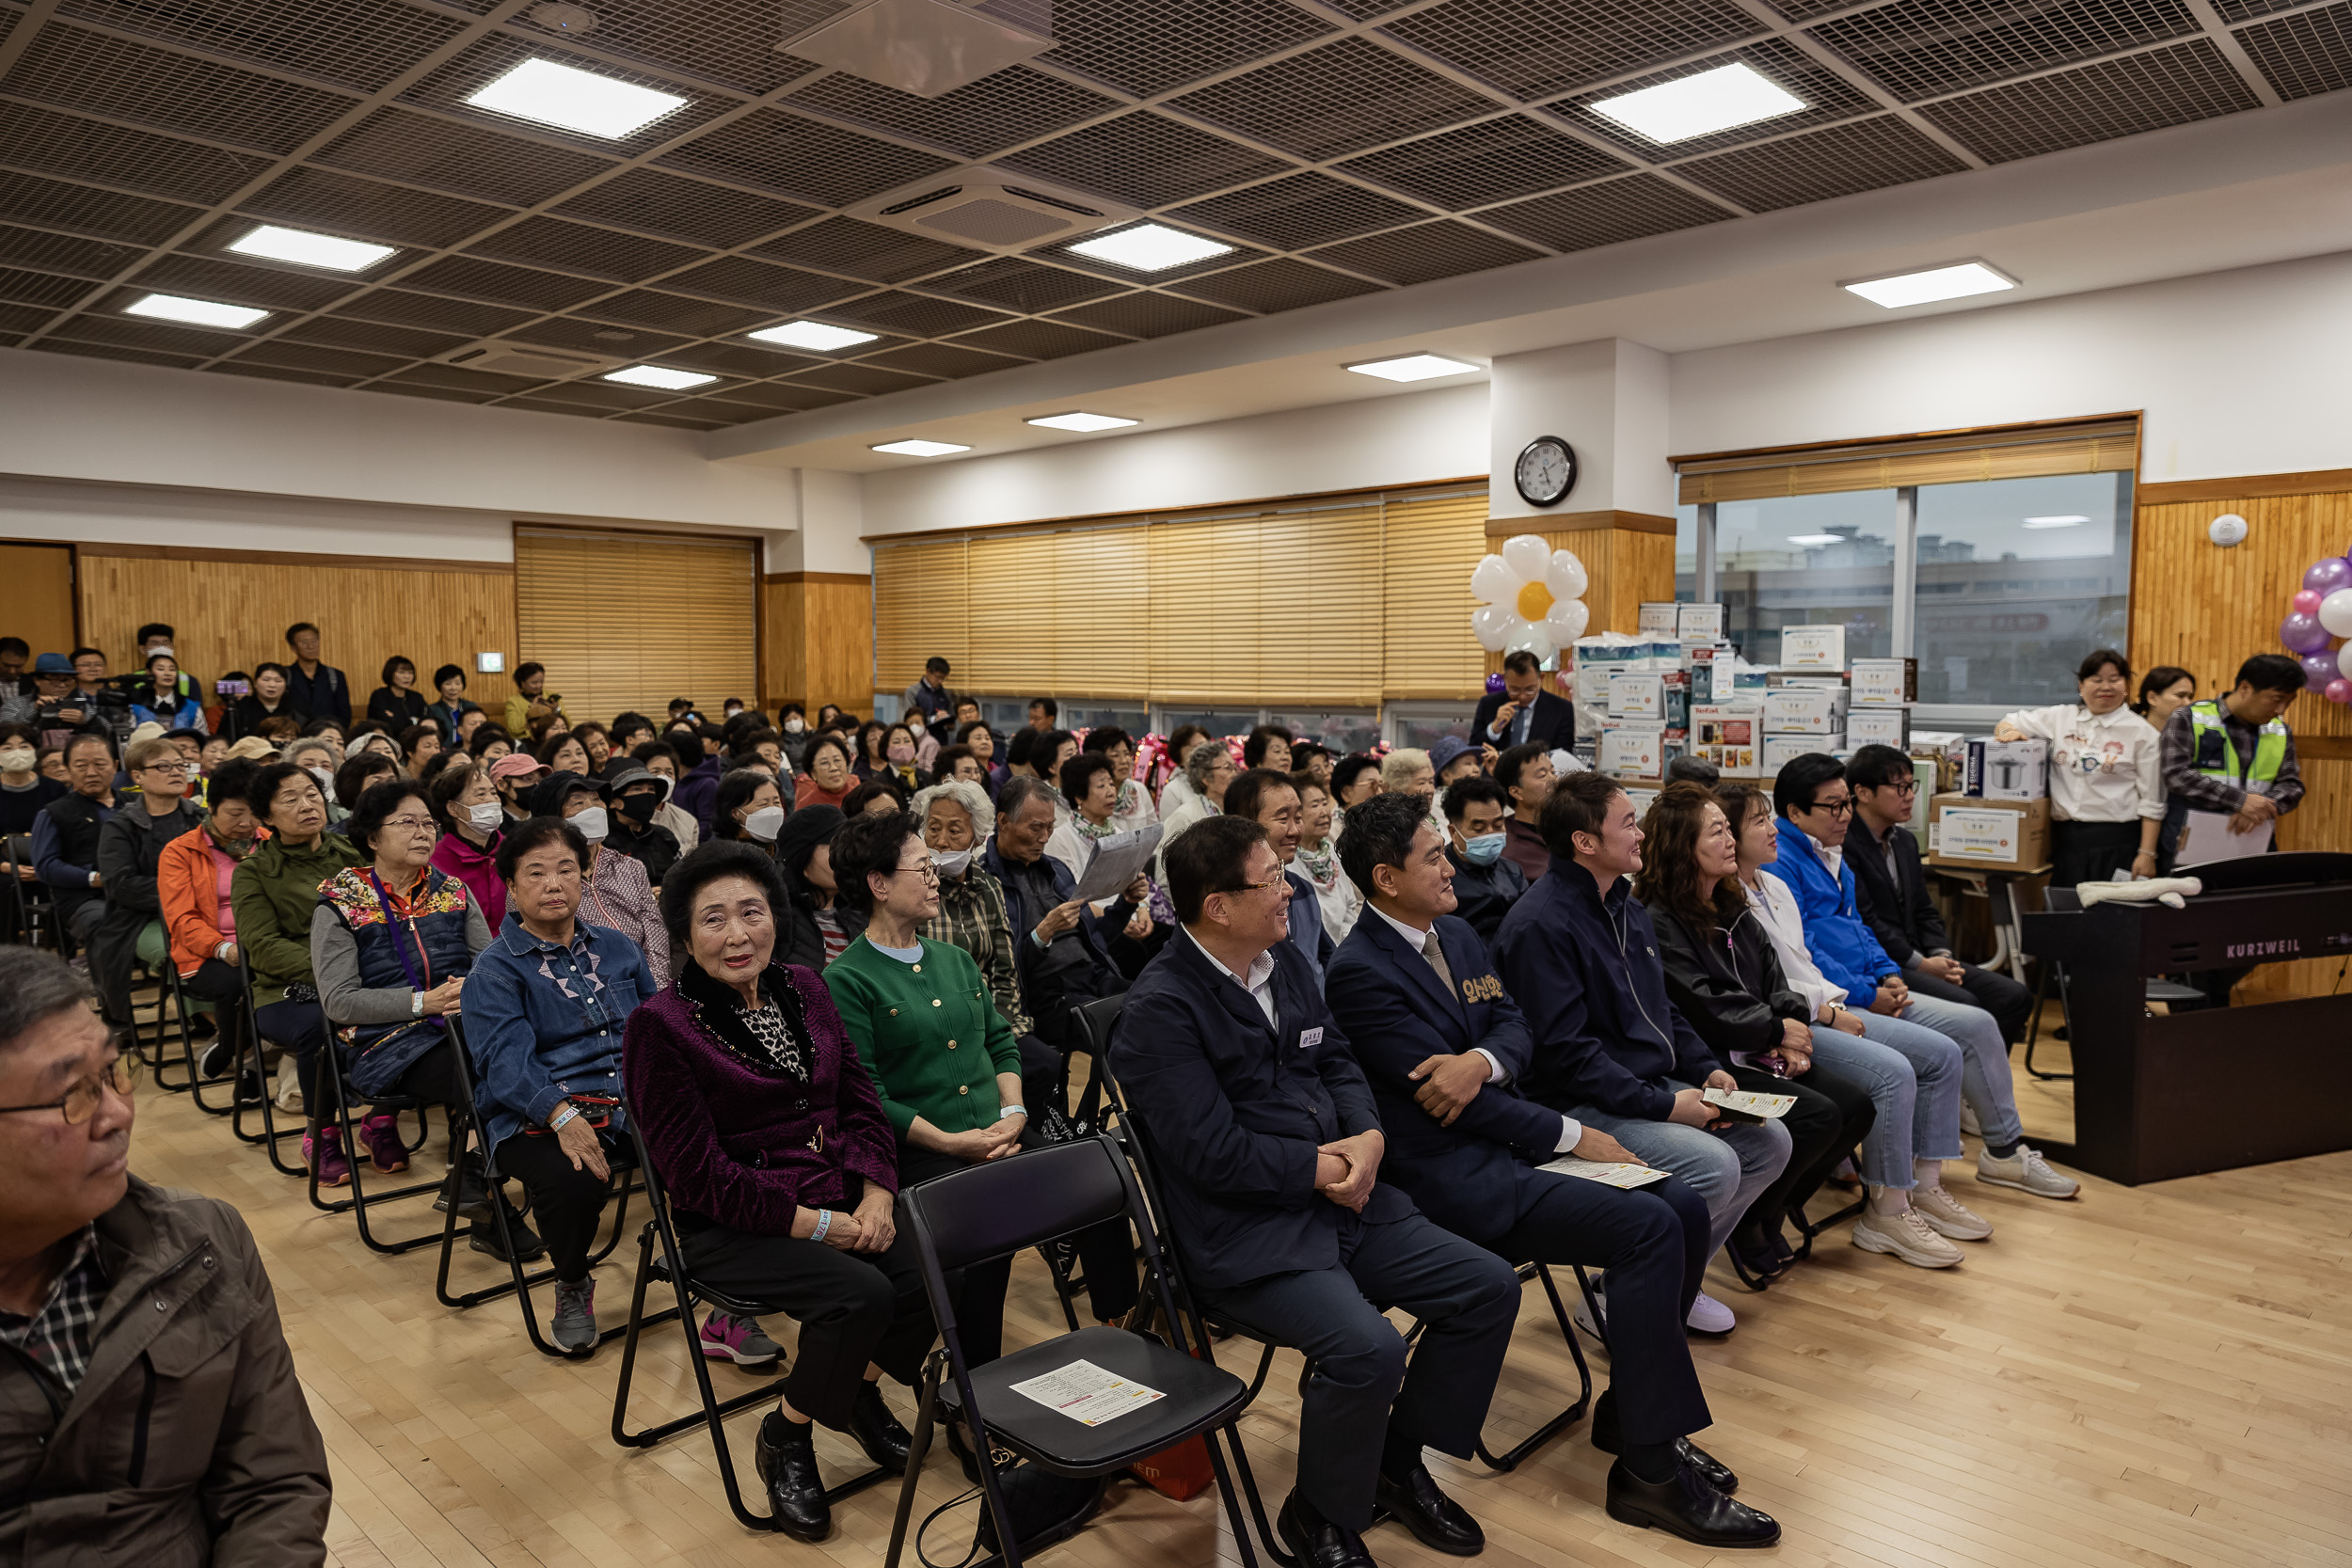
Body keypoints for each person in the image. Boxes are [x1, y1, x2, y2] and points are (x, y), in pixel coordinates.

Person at [1324, 795, 1776, 1548]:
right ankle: (1648, 1470)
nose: (1452, 862)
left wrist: (1482, 1059)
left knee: (1684, 1208)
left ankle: (1636, 1415)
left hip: (1515, 1143)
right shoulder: (1359, 972)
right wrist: (1574, 1133)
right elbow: (1452, 1111)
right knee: (1647, 1227)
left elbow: (1518, 1030)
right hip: (1454, 1176)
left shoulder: (1460, 935)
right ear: (1385, 877)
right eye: (1433, 855)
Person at [1111, 814, 1521, 1568]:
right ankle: (1321, 1516)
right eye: (1270, 880)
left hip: (1347, 1196)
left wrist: (1368, 1140)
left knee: (1487, 1287)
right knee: (1367, 1349)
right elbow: (1211, 1154)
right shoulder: (1160, 1011)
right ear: (1218, 905)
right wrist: (1327, 1169)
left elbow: (1338, 1061)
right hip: (1247, 1235)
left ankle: (1393, 1466)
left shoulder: (1285, 962)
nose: (1288, 890)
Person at [624, 842, 931, 1544]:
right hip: (732, 1222)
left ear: (775, 915)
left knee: (935, 1269)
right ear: (684, 934)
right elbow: (692, 1172)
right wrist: (819, 1226)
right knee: (862, 1294)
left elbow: (859, 1101)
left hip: (835, 1194)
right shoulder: (660, 1025)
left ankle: (853, 1387)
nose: (737, 934)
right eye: (714, 920)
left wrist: (877, 1190)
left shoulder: (804, 984)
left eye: (751, 912)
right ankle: (785, 1434)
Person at [0, 947, 332, 1561]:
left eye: (114, 1072)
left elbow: (274, 1481)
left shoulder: (201, 1240)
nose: (118, 1114)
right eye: (73, 1093)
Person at [822, 812, 1136, 1387]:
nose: (937, 875)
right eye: (923, 866)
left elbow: (1000, 1043)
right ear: (878, 883)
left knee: (1102, 1176)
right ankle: (977, 1393)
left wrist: (1013, 1110)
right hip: (921, 1150)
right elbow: (866, 1094)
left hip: (994, 1131)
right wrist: (950, 1140)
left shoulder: (953, 959)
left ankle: (1128, 1327)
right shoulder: (847, 979)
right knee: (984, 1229)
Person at [1492, 769, 1792, 1335]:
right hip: (1577, 1107)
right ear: (1586, 842)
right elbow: (1567, 1058)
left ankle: (1677, 1279)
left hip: (1646, 1088)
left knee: (1770, 1140)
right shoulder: (1541, 925)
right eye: (1628, 824)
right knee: (1714, 1164)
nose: (1641, 836)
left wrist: (1706, 1067)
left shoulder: (1625, 907)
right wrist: (1668, 1107)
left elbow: (1664, 1011)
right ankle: (1622, 1296)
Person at [1767, 753, 2079, 1201]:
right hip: (1832, 1001)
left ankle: (2004, 1152)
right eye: (1832, 807)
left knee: (1978, 1022)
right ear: (1795, 812)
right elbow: (1804, 951)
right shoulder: (1782, 864)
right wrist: (1868, 991)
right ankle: (1906, 1192)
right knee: (1942, 1047)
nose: (1844, 816)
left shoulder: (1832, 853)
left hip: (1868, 987)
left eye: (1846, 805)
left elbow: (1860, 927)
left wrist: (1889, 974)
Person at [1719, 782, 1979, 1269]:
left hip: (1825, 1004)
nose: (1773, 828)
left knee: (1942, 1052)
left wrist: (1878, 980)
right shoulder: (1727, 898)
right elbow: (1776, 985)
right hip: (1797, 1018)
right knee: (1893, 1072)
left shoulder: (1772, 885)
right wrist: (1834, 1011)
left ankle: (1922, 1188)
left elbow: (1808, 961)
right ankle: (1888, 1208)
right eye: (1759, 821)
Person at [1634, 783, 1889, 1279]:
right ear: (1682, 847)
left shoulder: (1731, 901)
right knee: (1816, 1115)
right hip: (1715, 1061)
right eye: (1716, 832)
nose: (1730, 841)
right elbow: (1704, 1006)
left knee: (1856, 1106)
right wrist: (1777, 1032)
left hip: (1758, 1044)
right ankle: (1755, 1219)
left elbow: (1774, 977)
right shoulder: (1658, 918)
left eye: (1730, 830)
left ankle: (1771, 1210)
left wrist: (1787, 1027)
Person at [462, 816, 661, 1354]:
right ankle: (573, 1281)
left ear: (583, 875)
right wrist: (563, 1115)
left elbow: (655, 1028)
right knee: (570, 1180)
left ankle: (723, 1291)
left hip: (633, 1097)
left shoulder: (619, 947)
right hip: (538, 1108)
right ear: (511, 886)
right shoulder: (495, 970)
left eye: (566, 870)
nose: (554, 884)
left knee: (715, 1145)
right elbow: (505, 1066)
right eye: (537, 873)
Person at [310, 780, 501, 1197]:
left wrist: (472, 987)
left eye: (429, 823)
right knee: (480, 1066)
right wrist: (422, 1002)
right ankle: (479, 1182)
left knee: (510, 1049)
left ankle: (473, 1179)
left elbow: (490, 966)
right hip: (385, 1043)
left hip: (461, 1024)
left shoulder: (452, 891)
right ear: (373, 837)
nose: (423, 832)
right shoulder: (341, 904)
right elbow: (339, 1001)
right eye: (407, 823)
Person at [231, 761, 367, 1184]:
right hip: (286, 991)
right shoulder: (254, 871)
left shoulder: (354, 856)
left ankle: (382, 1120)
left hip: (363, 978)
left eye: (312, 793)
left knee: (419, 1008)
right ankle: (321, 1134)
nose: (307, 804)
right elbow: (262, 948)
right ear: (266, 818)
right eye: (290, 799)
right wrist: (336, 973)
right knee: (320, 1027)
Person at [1845, 745, 2034, 1046]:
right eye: (1900, 788)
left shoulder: (1904, 842)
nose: (1910, 796)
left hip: (1920, 955)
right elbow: (1866, 920)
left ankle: (1980, 1088)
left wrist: (1941, 956)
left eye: (1912, 786)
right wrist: (1922, 965)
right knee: (1967, 1005)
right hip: (1883, 962)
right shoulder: (1844, 844)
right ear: (1863, 793)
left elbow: (1924, 909)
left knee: (2014, 996)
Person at [986, 778, 1145, 1072]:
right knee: (1124, 1026)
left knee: (1156, 1002)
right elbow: (1001, 968)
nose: (1045, 837)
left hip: (1093, 973)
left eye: (1049, 827)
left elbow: (1097, 939)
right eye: (1036, 827)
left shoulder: (1055, 869)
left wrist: (1127, 904)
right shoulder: (986, 882)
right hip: (1047, 992)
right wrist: (1041, 934)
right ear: (1004, 821)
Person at [1993, 649, 2164, 885]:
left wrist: (2147, 855)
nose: (2106, 687)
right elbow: (2011, 719)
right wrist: (2007, 733)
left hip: (2116, 842)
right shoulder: (2061, 718)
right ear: (2081, 686)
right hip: (2065, 841)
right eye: (2096, 679)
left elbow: (2153, 801)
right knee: (2066, 915)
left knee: (2111, 917)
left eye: (2114, 679)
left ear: (2126, 686)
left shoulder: (2143, 733)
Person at [160, 756, 268, 1081]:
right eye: (235, 814)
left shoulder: (268, 842)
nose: (247, 823)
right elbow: (181, 919)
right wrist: (223, 949)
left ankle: (227, 1047)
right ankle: (242, 1055)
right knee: (237, 982)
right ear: (211, 808)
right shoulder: (180, 852)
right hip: (205, 952)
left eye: (254, 813)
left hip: (263, 943)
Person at [89, 736, 207, 1030]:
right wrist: (186, 895)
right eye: (164, 766)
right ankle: (226, 1034)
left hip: (204, 913)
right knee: (185, 949)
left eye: (182, 766)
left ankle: (238, 1028)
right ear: (137, 776)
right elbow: (121, 885)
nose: (177, 772)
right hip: (140, 920)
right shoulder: (120, 826)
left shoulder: (202, 818)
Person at [2159, 651, 2305, 856]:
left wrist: (2259, 810)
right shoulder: (2188, 717)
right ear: (2245, 688)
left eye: (2289, 701)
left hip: (2253, 840)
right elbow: (2176, 775)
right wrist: (2241, 801)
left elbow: (2292, 785)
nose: (2281, 710)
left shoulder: (2280, 730)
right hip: (2192, 841)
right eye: (2276, 699)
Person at [535, 770, 670, 988]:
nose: (593, 808)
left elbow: (654, 931)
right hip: (585, 989)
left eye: (597, 800)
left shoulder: (630, 867)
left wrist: (655, 989)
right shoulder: (539, 879)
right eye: (578, 803)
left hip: (645, 983)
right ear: (553, 818)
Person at [1226, 767, 1332, 983]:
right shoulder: (1234, 900)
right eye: (1283, 819)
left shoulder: (1301, 889)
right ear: (1244, 823)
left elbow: (1326, 956)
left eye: (1299, 817)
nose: (1295, 831)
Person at [32, 731, 119, 954]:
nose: (91, 772)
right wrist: (93, 878)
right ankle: (107, 988)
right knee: (104, 920)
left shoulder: (135, 804)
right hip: (84, 898)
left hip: (134, 890)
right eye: (81, 766)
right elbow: (46, 866)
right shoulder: (53, 812)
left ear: (115, 766)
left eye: (100, 764)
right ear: (69, 769)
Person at [1440, 775, 1523, 943]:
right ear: (1453, 832)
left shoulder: (1513, 872)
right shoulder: (1440, 879)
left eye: (1498, 825)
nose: (1490, 833)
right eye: (1479, 828)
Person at [428, 758, 506, 932]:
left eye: (493, 793)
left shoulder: (515, 850)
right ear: (453, 808)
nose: (492, 800)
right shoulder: (433, 862)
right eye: (480, 794)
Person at [2133, 666, 2198, 871]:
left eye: (2190, 696)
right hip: (2133, 830)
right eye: (2180, 696)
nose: (2187, 703)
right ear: (2152, 698)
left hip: (2172, 832)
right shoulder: (2129, 733)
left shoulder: (2192, 737)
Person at [774, 804, 854, 967]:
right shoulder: (779, 924)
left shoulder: (863, 913)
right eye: (834, 848)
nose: (846, 856)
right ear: (803, 864)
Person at [1289, 769, 1361, 944]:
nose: (1324, 812)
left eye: (1324, 803)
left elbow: (1350, 906)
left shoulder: (1330, 849)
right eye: (1314, 805)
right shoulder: (1289, 859)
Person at [1155, 739, 1235, 886]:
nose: (1234, 774)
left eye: (1235, 767)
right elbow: (1165, 877)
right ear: (1204, 777)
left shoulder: (1234, 813)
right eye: (1227, 768)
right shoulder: (1184, 817)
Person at [1473, 651, 1575, 752]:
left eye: (1530, 689)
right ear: (1505, 679)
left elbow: (1563, 756)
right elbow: (1473, 751)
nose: (1522, 696)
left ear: (1541, 678)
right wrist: (1494, 729)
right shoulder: (1489, 704)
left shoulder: (1561, 709)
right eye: (1514, 689)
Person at [1045, 750, 1121, 882]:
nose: (1110, 792)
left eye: (1111, 784)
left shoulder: (1121, 836)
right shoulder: (1060, 840)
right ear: (1079, 797)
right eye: (1101, 786)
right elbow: (1069, 893)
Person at [602, 760, 682, 888]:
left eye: (651, 789)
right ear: (614, 802)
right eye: (637, 789)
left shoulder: (664, 836)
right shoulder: (602, 844)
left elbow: (684, 880)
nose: (647, 794)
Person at [1493, 741, 1554, 883]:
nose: (1554, 780)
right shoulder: (1506, 848)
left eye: (1553, 772)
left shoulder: (1569, 828)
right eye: (1542, 774)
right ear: (1516, 791)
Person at [632, 740, 702, 853]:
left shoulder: (688, 821)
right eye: (656, 771)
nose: (664, 778)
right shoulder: (628, 818)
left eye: (669, 773)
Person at [281, 622, 349, 728]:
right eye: (304, 642)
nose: (311, 646)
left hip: (327, 736)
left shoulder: (335, 676)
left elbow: (344, 714)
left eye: (314, 641)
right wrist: (243, 689)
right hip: (296, 737)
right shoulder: (284, 675)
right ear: (293, 648)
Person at [130, 653, 208, 735]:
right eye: (160, 669)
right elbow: (126, 742)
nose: (167, 673)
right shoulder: (134, 706)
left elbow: (202, 737)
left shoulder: (192, 707)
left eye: (172, 669)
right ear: (149, 673)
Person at [226, 662, 306, 742]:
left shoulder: (295, 708)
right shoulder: (240, 707)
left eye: (278, 680)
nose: (272, 685)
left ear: (286, 685)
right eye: (266, 680)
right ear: (255, 683)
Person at [716, 768, 787, 849]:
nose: (773, 811)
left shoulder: (785, 848)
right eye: (763, 804)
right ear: (735, 813)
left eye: (776, 802)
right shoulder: (721, 856)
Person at [795, 734, 855, 811]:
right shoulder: (805, 807)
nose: (833, 768)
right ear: (813, 773)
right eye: (824, 763)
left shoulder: (860, 796)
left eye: (837, 760)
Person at [366, 657, 428, 731]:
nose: (407, 676)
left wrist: (395, 717)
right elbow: (386, 724)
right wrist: (414, 721)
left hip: (414, 739)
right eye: (401, 672)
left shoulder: (416, 697)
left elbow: (427, 720)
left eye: (410, 673)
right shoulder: (379, 695)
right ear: (390, 673)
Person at [487, 751, 545, 827]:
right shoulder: (491, 826)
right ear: (501, 785)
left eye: (540, 780)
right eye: (528, 779)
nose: (537, 785)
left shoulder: (547, 820)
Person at [901, 656, 954, 737]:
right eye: (938, 677)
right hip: (919, 737)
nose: (940, 681)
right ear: (928, 671)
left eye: (943, 678)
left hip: (942, 738)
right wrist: (933, 719)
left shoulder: (946, 693)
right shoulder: (913, 691)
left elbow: (951, 716)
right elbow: (910, 719)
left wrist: (948, 719)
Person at [503, 662, 559, 738]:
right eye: (534, 682)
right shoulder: (513, 702)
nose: (539, 685)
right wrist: (532, 709)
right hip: (526, 743)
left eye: (541, 681)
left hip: (550, 740)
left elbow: (567, 723)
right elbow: (514, 729)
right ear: (522, 683)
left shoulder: (551, 696)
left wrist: (556, 710)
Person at [424, 663, 477, 741]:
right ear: (440, 686)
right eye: (448, 684)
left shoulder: (471, 706)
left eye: (457, 683)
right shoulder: (433, 710)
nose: (453, 688)